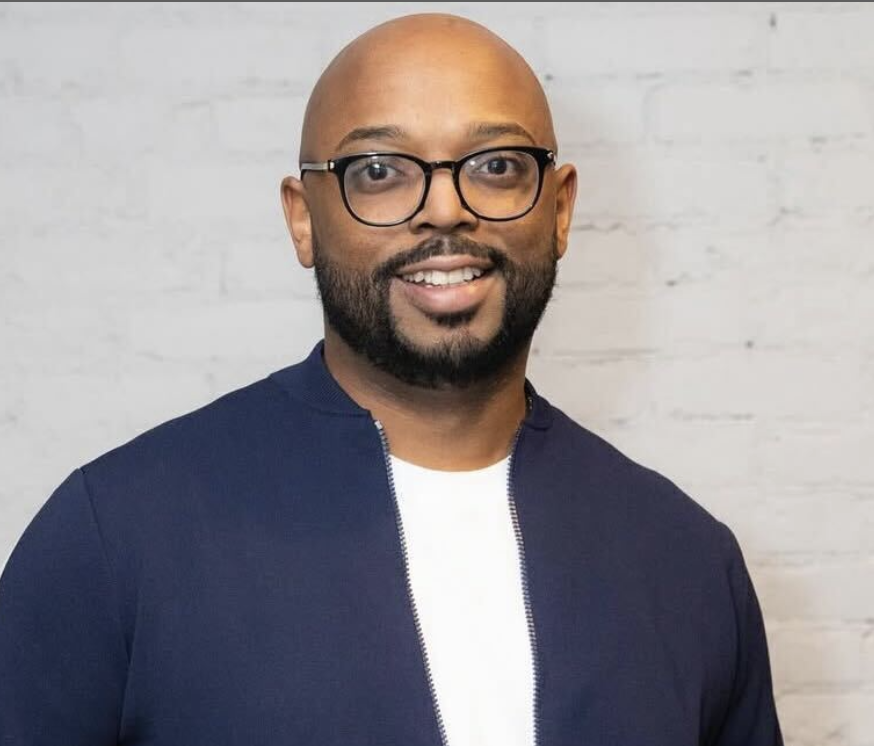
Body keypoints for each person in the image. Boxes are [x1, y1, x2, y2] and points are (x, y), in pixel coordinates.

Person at [0, 12, 783, 746]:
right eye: (379, 170)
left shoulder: (686, 563)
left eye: (497, 166)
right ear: (302, 217)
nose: (444, 210)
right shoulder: (116, 540)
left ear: (560, 209)